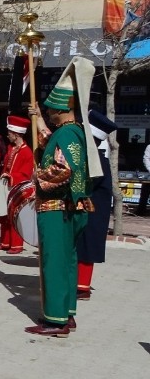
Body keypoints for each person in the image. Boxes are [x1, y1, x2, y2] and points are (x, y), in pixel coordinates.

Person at [25, 57, 101, 338]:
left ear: (61, 109)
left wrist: (38, 176)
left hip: (57, 209)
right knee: (67, 261)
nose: (49, 112)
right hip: (73, 208)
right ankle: (66, 313)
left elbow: (62, 169)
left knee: (54, 263)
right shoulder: (73, 132)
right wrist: (39, 122)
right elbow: (56, 147)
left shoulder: (66, 134)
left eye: (51, 109)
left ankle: (55, 321)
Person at [76, 110, 117, 301]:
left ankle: (82, 287)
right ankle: (80, 284)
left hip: (93, 208)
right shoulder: (95, 156)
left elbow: (87, 182)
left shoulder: (97, 159)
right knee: (83, 244)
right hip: (91, 206)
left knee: (87, 246)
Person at [0, 115, 34, 254]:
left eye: (10, 133)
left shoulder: (27, 152)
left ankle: (16, 245)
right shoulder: (11, 149)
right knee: (5, 216)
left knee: (15, 217)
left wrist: (11, 177)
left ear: (16, 134)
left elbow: (26, 174)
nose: (8, 135)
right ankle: (5, 242)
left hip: (18, 189)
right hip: (8, 187)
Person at [137, 142, 150, 216]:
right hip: (149, 174)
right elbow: (146, 159)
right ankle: (141, 211)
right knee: (145, 193)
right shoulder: (149, 146)